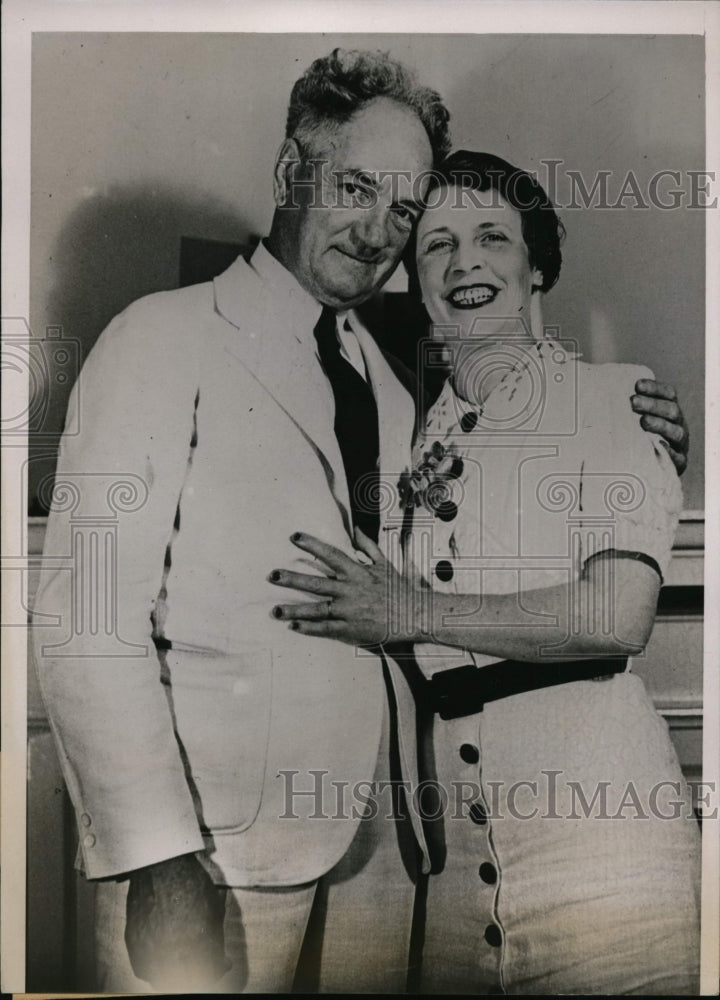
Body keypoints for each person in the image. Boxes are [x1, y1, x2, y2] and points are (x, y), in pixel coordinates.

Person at [32, 47, 688, 992]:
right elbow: (84, 614)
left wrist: (654, 428)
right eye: (355, 186)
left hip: (389, 868)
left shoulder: (390, 393)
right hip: (215, 861)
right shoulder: (158, 337)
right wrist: (155, 853)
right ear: (291, 170)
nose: (381, 228)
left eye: (405, 208)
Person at [268, 151, 700, 994]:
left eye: (492, 237)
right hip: (451, 876)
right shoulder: (408, 433)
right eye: (437, 245)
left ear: (536, 266)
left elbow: (617, 614)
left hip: (604, 856)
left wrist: (414, 611)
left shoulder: (613, 395)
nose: (465, 262)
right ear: (414, 280)